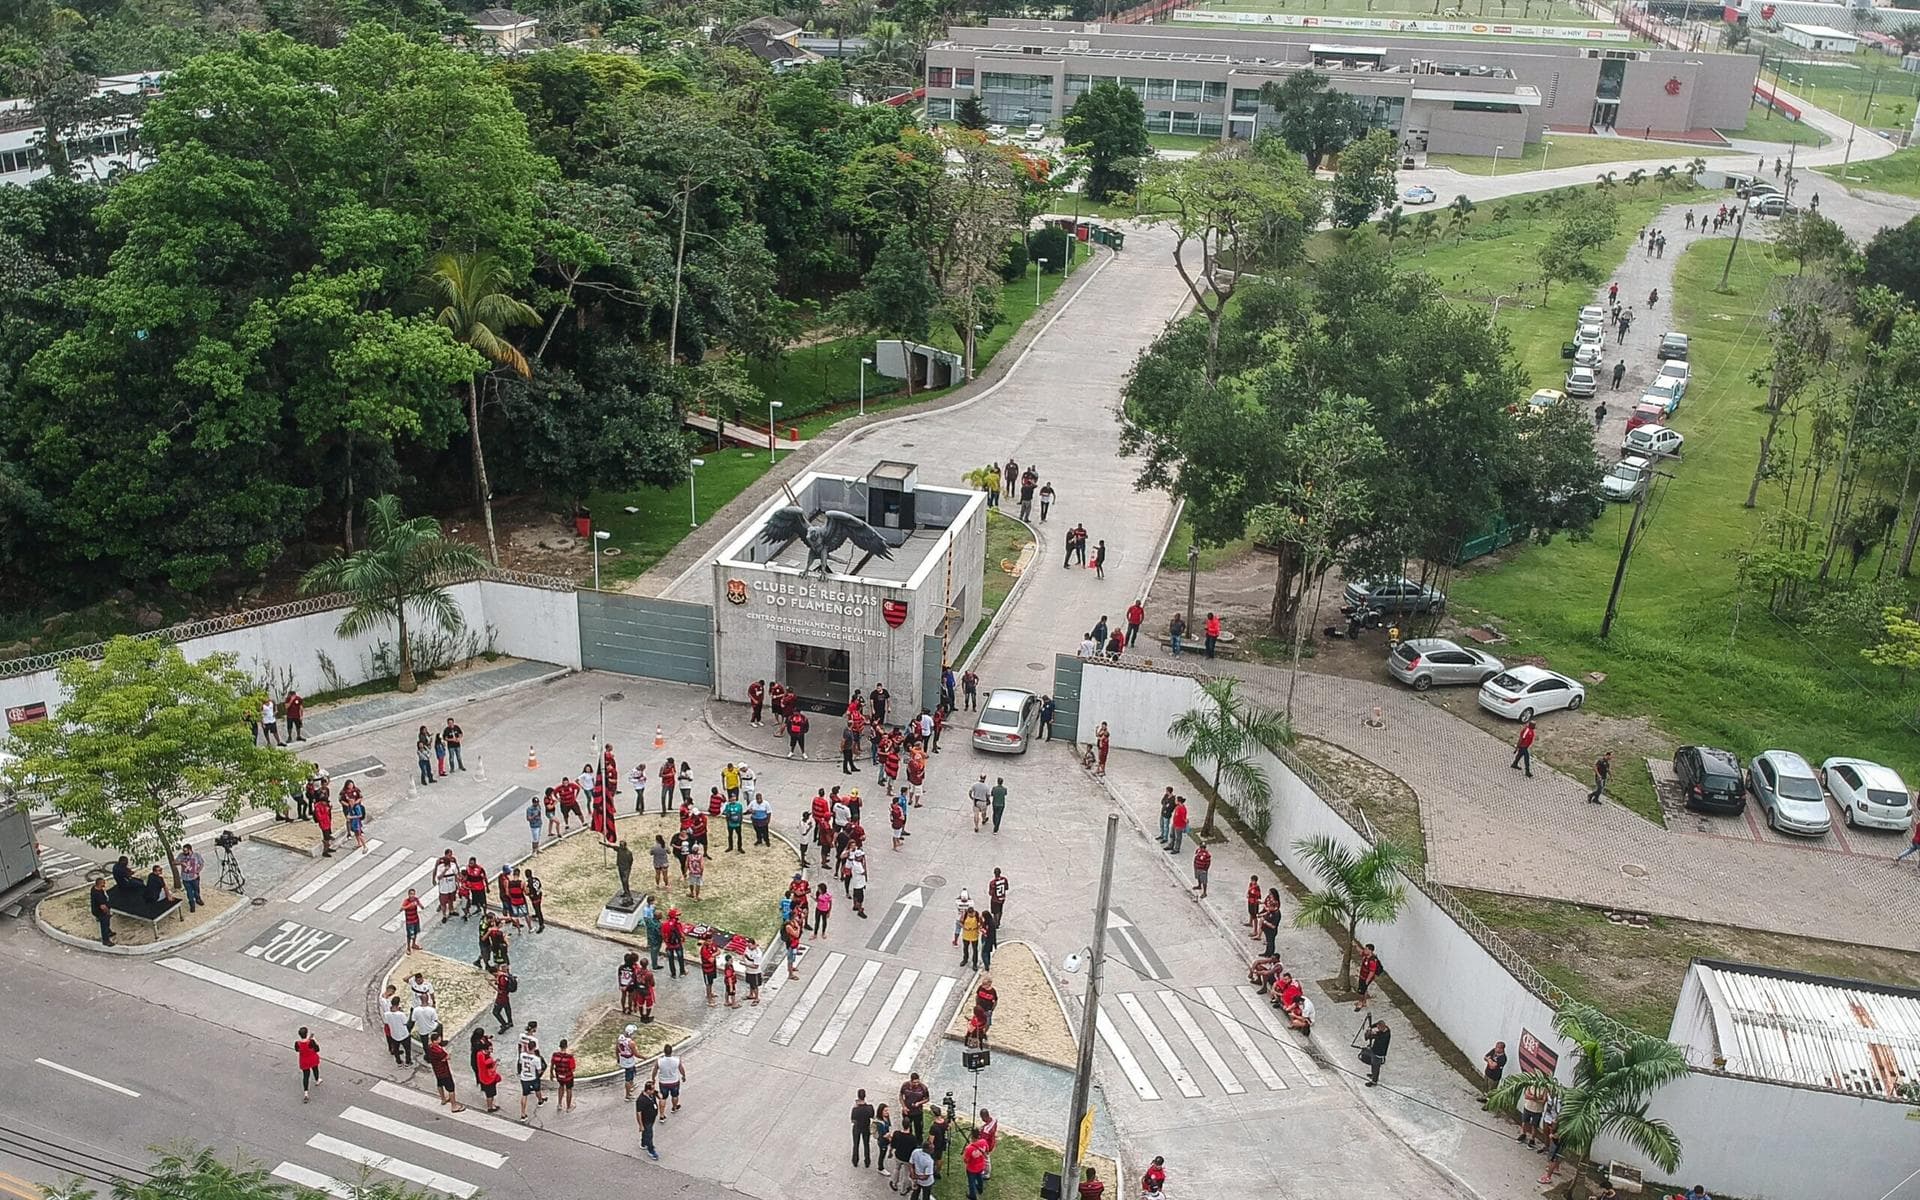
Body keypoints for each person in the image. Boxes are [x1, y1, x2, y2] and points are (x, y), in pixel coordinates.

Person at [425, 1032, 462, 1111]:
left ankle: (443, 1099)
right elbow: (447, 1057)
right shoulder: (438, 1051)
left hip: (437, 1070)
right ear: (435, 1041)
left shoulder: (430, 1047)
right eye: (439, 1038)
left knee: (440, 1084)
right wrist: (447, 1056)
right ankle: (454, 1106)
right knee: (451, 1088)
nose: (440, 1039)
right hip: (444, 1071)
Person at [634, 1079, 661, 1160]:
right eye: (652, 1089)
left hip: (652, 1118)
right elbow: (638, 1113)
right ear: (648, 1090)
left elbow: (661, 1097)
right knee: (649, 1134)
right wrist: (641, 1125)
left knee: (646, 1132)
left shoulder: (652, 1094)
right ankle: (651, 1150)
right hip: (646, 1120)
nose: (654, 1090)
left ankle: (643, 1143)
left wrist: (657, 1094)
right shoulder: (641, 1100)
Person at [654, 1043, 684, 1115]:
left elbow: (655, 1070)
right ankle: (674, 1107)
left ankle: (662, 1115)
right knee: (675, 1095)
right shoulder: (677, 1060)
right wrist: (684, 1075)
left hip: (663, 1082)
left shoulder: (659, 1061)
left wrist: (653, 1078)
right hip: (674, 1081)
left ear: (664, 1051)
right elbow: (681, 1068)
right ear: (671, 1051)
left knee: (663, 1098)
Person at [851, 1088, 875, 1168]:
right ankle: (867, 1161)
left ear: (858, 1096)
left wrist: (856, 1106)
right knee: (866, 1144)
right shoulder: (870, 1108)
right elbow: (872, 1116)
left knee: (856, 1144)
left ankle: (855, 1160)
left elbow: (853, 1120)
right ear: (865, 1096)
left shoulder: (855, 1109)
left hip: (857, 1128)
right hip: (866, 1127)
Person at [1362, 1019, 1391, 1086]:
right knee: (1373, 1064)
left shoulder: (1385, 1036)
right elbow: (1376, 1024)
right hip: (1374, 1050)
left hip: (1379, 1053)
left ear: (1382, 1027)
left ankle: (1374, 1081)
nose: (1377, 1029)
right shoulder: (1385, 1028)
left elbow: (1378, 1039)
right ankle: (1373, 1075)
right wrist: (1371, 1027)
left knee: (1376, 1067)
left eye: (1378, 1028)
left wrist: (1374, 1034)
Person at [178, 842, 204, 912]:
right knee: (189, 892)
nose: (184, 852)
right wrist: (181, 863)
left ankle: (198, 899)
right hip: (185, 878)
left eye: (185, 851)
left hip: (194, 877)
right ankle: (192, 904)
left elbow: (201, 864)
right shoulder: (181, 855)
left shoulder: (196, 855)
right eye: (183, 851)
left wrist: (197, 872)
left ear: (190, 850)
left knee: (196, 890)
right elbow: (174, 862)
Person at [89, 877, 115, 946]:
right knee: (104, 925)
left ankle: (109, 932)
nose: (104, 884)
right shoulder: (98, 895)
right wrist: (108, 912)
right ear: (99, 884)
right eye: (103, 883)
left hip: (96, 910)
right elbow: (103, 907)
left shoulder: (94, 889)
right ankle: (106, 940)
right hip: (101, 912)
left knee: (106, 923)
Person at [963, 1132, 989, 1199]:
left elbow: (966, 1160)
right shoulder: (984, 1141)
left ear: (972, 1137)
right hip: (981, 1165)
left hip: (972, 1168)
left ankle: (973, 1196)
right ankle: (980, 1189)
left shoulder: (969, 1148)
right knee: (980, 1177)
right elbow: (987, 1150)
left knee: (971, 1182)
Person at [1355, 944, 1382, 1009]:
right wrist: (1356, 945)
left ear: (1370, 951)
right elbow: (1360, 951)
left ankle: (1360, 1003)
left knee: (1361, 991)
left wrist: (1367, 980)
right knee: (1364, 989)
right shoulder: (1366, 956)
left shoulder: (1372, 961)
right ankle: (1364, 1002)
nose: (1364, 950)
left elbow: (1372, 972)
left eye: (1366, 949)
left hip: (1365, 978)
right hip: (1362, 976)